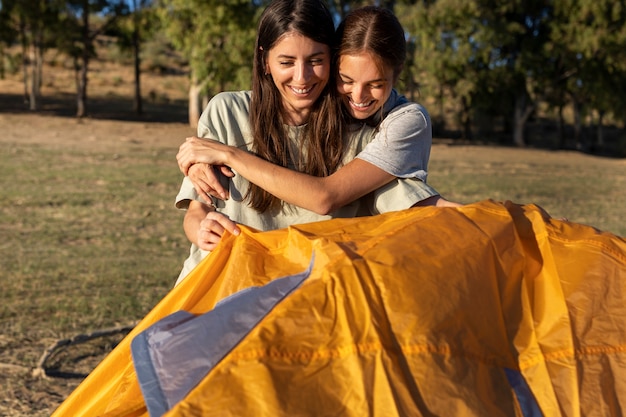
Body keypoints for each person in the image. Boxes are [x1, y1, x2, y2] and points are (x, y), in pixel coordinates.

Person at [174, 2, 449, 285]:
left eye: (316, 61)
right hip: (220, 286)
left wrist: (483, 220)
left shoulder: (368, 131)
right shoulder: (227, 111)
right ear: (264, 60)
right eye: (286, 62)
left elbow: (410, 201)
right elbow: (198, 210)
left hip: (306, 297)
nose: (302, 77)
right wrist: (203, 230)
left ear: (332, 59)